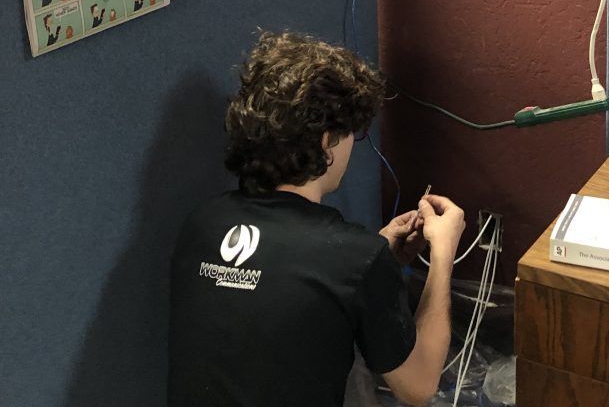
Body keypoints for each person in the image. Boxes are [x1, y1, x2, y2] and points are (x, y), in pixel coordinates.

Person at [168, 32, 463, 407]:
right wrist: (442, 256)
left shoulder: (202, 224)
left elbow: (282, 296)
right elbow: (418, 386)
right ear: (327, 143)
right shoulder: (354, 259)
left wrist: (371, 261)